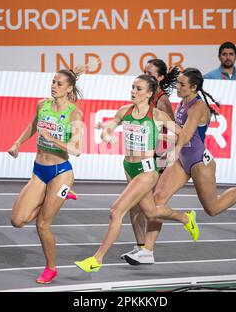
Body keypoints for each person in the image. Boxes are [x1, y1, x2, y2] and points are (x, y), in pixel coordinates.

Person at [123, 67, 236, 265]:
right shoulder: (182, 103)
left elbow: (185, 136)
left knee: (213, 208)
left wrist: (170, 152)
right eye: (177, 83)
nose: (177, 87)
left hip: (199, 162)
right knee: (158, 201)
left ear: (193, 88)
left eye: (182, 85)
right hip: (181, 161)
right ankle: (147, 251)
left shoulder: (198, 107)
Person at [74, 74, 199, 272]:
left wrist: (175, 148)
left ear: (149, 93)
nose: (133, 91)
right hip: (129, 167)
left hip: (147, 170)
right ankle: (186, 218)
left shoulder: (156, 115)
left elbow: (183, 132)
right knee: (151, 212)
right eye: (133, 87)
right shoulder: (125, 111)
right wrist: (106, 134)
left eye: (139, 89)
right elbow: (108, 128)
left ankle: (96, 260)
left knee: (116, 211)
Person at [8, 68, 84, 283]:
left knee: (42, 223)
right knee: (17, 221)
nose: (54, 86)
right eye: (53, 82)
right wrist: (17, 143)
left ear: (69, 89)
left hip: (61, 172)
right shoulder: (42, 105)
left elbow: (77, 149)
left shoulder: (74, 113)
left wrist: (51, 138)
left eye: (59, 84)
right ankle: (58, 195)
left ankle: (51, 268)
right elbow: (33, 125)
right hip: (39, 170)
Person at [121, 59, 179, 260]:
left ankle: (148, 250)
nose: (146, 75)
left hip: (156, 160)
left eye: (151, 73)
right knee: (134, 205)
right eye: (144, 71)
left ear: (160, 78)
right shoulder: (142, 97)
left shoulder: (161, 101)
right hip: (138, 159)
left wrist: (163, 158)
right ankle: (140, 247)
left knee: (150, 207)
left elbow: (171, 131)